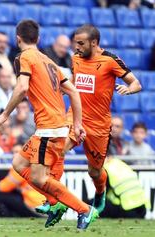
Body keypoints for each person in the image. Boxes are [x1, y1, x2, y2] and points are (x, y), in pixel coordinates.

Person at [0, 20, 97, 230]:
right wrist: (76, 125)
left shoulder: (24, 57)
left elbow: (21, 88)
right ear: (38, 39)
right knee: (19, 164)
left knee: (39, 178)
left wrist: (4, 115)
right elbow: (74, 92)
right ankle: (55, 202)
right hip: (54, 126)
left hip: (49, 128)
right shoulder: (49, 61)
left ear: (17, 39)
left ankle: (84, 209)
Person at [36, 24, 142, 221]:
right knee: (57, 149)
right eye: (76, 43)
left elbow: (136, 82)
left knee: (94, 171)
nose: (76, 47)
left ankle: (100, 192)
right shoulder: (76, 58)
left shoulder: (110, 60)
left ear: (94, 43)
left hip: (99, 126)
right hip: (75, 117)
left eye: (81, 43)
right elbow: (76, 82)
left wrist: (129, 90)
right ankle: (53, 201)